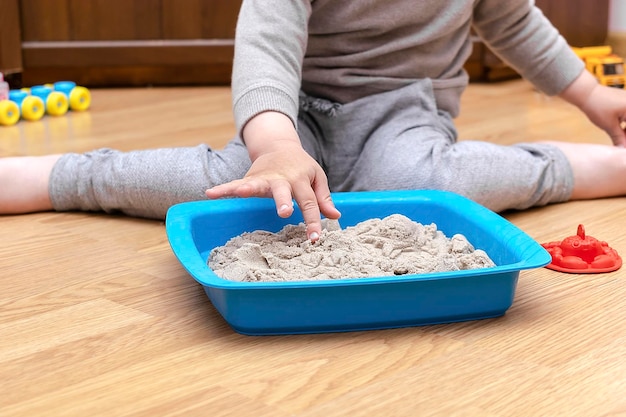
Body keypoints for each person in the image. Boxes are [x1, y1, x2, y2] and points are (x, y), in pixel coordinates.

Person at [2, 0, 626, 242]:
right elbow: (267, 45)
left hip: (404, 111)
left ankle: (585, 166)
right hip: (297, 112)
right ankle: (62, 177)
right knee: (228, 185)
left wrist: (594, 99)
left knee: (435, 188)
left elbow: (516, 25)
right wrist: (273, 144)